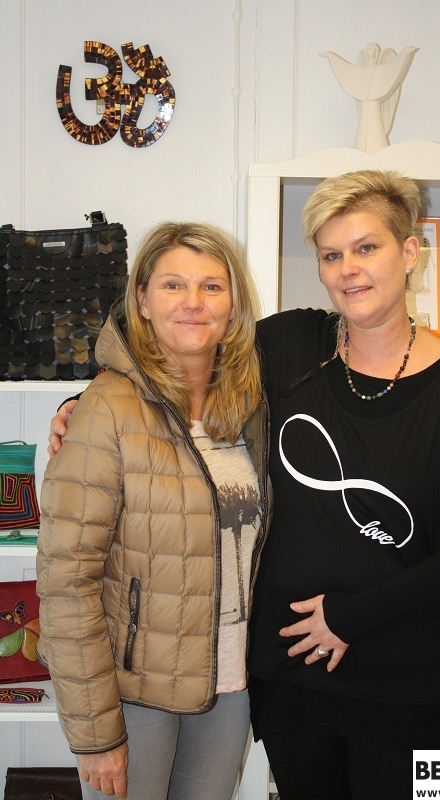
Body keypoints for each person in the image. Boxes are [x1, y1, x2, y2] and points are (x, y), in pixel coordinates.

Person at [48, 171, 440, 800]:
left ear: (409, 253)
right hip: (292, 678)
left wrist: (349, 616)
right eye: (331, 254)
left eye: (367, 247)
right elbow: (178, 367)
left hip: (414, 678)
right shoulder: (289, 345)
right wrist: (85, 406)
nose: (349, 269)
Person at [37, 221, 271, 800]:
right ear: (141, 300)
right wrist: (96, 733)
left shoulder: (250, 405)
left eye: (212, 286)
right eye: (173, 285)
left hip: (229, 686)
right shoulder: (106, 409)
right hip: (134, 696)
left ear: (234, 303)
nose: (193, 302)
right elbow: (67, 579)